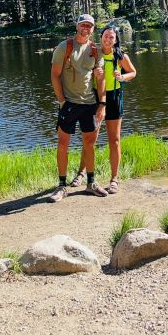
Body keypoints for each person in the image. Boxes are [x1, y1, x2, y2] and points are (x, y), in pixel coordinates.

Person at [70, 23, 136, 195]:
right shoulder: (93, 53)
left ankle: (114, 179)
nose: (108, 39)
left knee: (114, 140)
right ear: (101, 37)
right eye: (106, 36)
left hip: (114, 98)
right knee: (90, 139)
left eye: (111, 37)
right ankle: (81, 173)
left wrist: (122, 77)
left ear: (115, 40)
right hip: (95, 99)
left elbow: (133, 72)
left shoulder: (120, 56)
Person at [49, 13, 108, 202]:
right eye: (83, 24)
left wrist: (102, 104)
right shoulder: (64, 47)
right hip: (69, 104)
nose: (86, 28)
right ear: (77, 26)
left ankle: (91, 182)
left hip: (89, 104)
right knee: (62, 144)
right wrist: (62, 101)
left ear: (93, 29)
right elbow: (54, 75)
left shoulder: (95, 50)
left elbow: (100, 79)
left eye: (89, 26)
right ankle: (61, 186)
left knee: (89, 144)